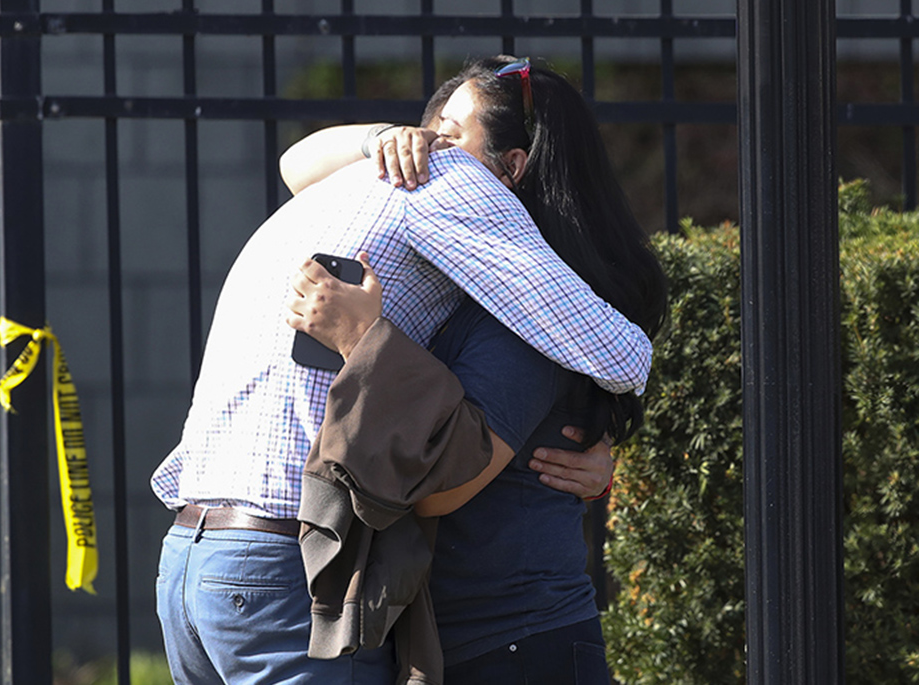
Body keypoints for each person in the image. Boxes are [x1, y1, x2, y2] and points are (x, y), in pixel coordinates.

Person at [151, 55, 653, 683]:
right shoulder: (444, 177)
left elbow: (292, 163)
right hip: (287, 566)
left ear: (515, 166)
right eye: (430, 127)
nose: (431, 142)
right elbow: (621, 354)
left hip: (191, 561)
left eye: (450, 129)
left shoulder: (364, 192)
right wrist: (366, 338)